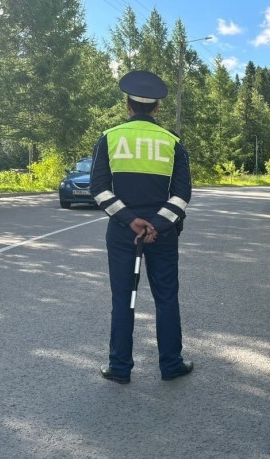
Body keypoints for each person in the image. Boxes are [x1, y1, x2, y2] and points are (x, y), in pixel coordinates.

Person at [90, 70, 193, 384]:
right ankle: (171, 364)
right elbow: (182, 194)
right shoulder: (172, 142)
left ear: (127, 105)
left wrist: (129, 220)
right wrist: (157, 225)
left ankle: (120, 367)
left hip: (123, 233)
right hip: (162, 235)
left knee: (125, 299)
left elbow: (99, 189)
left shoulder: (109, 137)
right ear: (157, 108)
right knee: (166, 298)